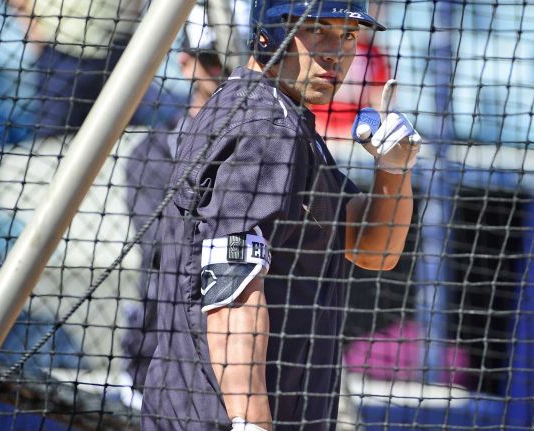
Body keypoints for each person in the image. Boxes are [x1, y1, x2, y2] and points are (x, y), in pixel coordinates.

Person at [141, 1, 420, 430]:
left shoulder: (280, 117)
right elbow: (233, 288)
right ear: (269, 32)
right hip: (223, 415)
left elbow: (372, 249)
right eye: (317, 31)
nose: (336, 53)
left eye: (348, 35)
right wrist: (251, 420)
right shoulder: (266, 126)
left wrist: (394, 172)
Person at [121, 4, 243, 398]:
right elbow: (166, 245)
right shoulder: (152, 154)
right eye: (213, 60)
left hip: (243, 357)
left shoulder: (269, 145)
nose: (226, 70)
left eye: (234, 59)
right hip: (160, 354)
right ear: (186, 63)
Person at [6, 0, 187, 137]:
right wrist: (31, 27)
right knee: (55, 135)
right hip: (62, 53)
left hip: (121, 51)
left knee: (121, 133)